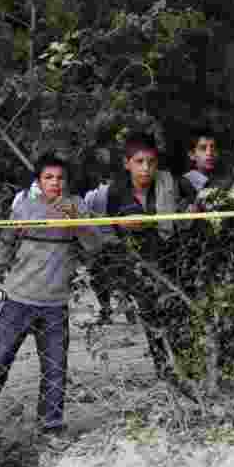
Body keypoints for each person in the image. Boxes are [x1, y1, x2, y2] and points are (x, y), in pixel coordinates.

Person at [0, 153, 102, 444]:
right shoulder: (23, 207)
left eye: (60, 178)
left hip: (55, 307)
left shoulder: (77, 207)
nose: (55, 183)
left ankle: (49, 434)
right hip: (18, 303)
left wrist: (77, 222)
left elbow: (94, 247)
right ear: (39, 181)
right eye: (49, 177)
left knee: (55, 372)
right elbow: (3, 252)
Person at [84, 131, 192, 377]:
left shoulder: (172, 183)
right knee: (151, 317)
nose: (146, 168)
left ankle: (186, 367)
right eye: (139, 162)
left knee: (178, 315)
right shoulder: (114, 192)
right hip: (136, 264)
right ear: (127, 163)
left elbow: (192, 208)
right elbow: (106, 232)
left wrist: (188, 212)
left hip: (172, 259)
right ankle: (164, 369)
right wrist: (120, 228)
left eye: (151, 162)